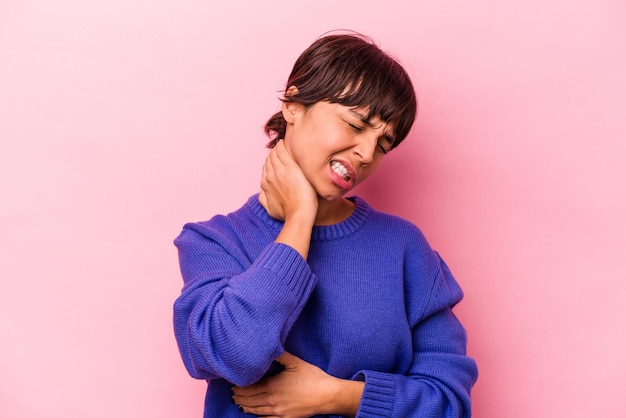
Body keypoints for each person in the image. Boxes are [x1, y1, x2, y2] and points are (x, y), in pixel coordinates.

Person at [173, 32, 478, 418]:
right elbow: (236, 356)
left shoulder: (404, 248)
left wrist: (338, 396)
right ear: (294, 105)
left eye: (383, 144)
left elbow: (449, 403)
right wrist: (300, 219)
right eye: (354, 125)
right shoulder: (214, 242)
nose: (367, 154)